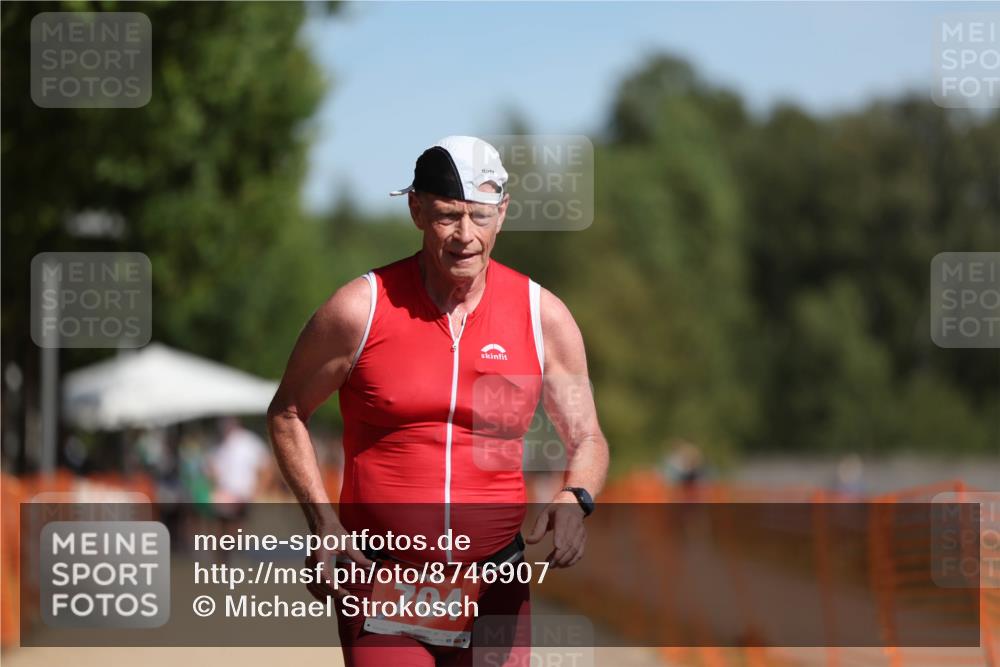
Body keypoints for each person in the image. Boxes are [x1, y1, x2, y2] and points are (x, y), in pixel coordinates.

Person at [268, 136, 609, 666]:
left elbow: (586, 436)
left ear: (504, 213)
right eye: (448, 216)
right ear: (416, 210)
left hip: (495, 580)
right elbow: (287, 412)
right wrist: (324, 523)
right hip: (382, 579)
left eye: (480, 216)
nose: (465, 236)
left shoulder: (544, 316)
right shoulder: (361, 307)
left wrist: (575, 500)